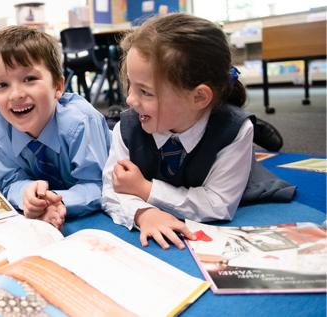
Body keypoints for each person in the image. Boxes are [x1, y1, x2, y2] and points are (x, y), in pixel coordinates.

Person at [102, 13, 294, 250]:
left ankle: (246, 120)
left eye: (146, 92)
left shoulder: (234, 132)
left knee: (235, 133)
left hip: (219, 142)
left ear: (199, 97)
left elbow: (219, 203)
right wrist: (143, 213)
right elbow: (111, 189)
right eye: (130, 84)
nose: (130, 99)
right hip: (171, 129)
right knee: (114, 122)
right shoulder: (128, 127)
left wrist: (145, 190)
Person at [0, 25, 112, 229]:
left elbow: (99, 185)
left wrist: (57, 200)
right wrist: (28, 194)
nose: (15, 94)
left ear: (58, 87)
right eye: (2, 85)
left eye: (30, 79)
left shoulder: (80, 122)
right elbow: (8, 182)